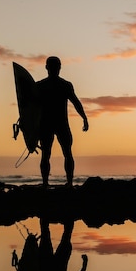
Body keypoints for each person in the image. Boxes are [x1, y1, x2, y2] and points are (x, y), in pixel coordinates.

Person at [37, 56, 88, 187]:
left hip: (53, 124)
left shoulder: (42, 86)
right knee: (59, 154)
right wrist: (84, 118)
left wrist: (84, 118)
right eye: (54, 66)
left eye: (56, 66)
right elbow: (30, 107)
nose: (55, 69)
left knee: (53, 154)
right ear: (47, 67)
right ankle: (64, 183)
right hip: (54, 124)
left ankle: (47, 183)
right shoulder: (59, 85)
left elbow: (76, 103)